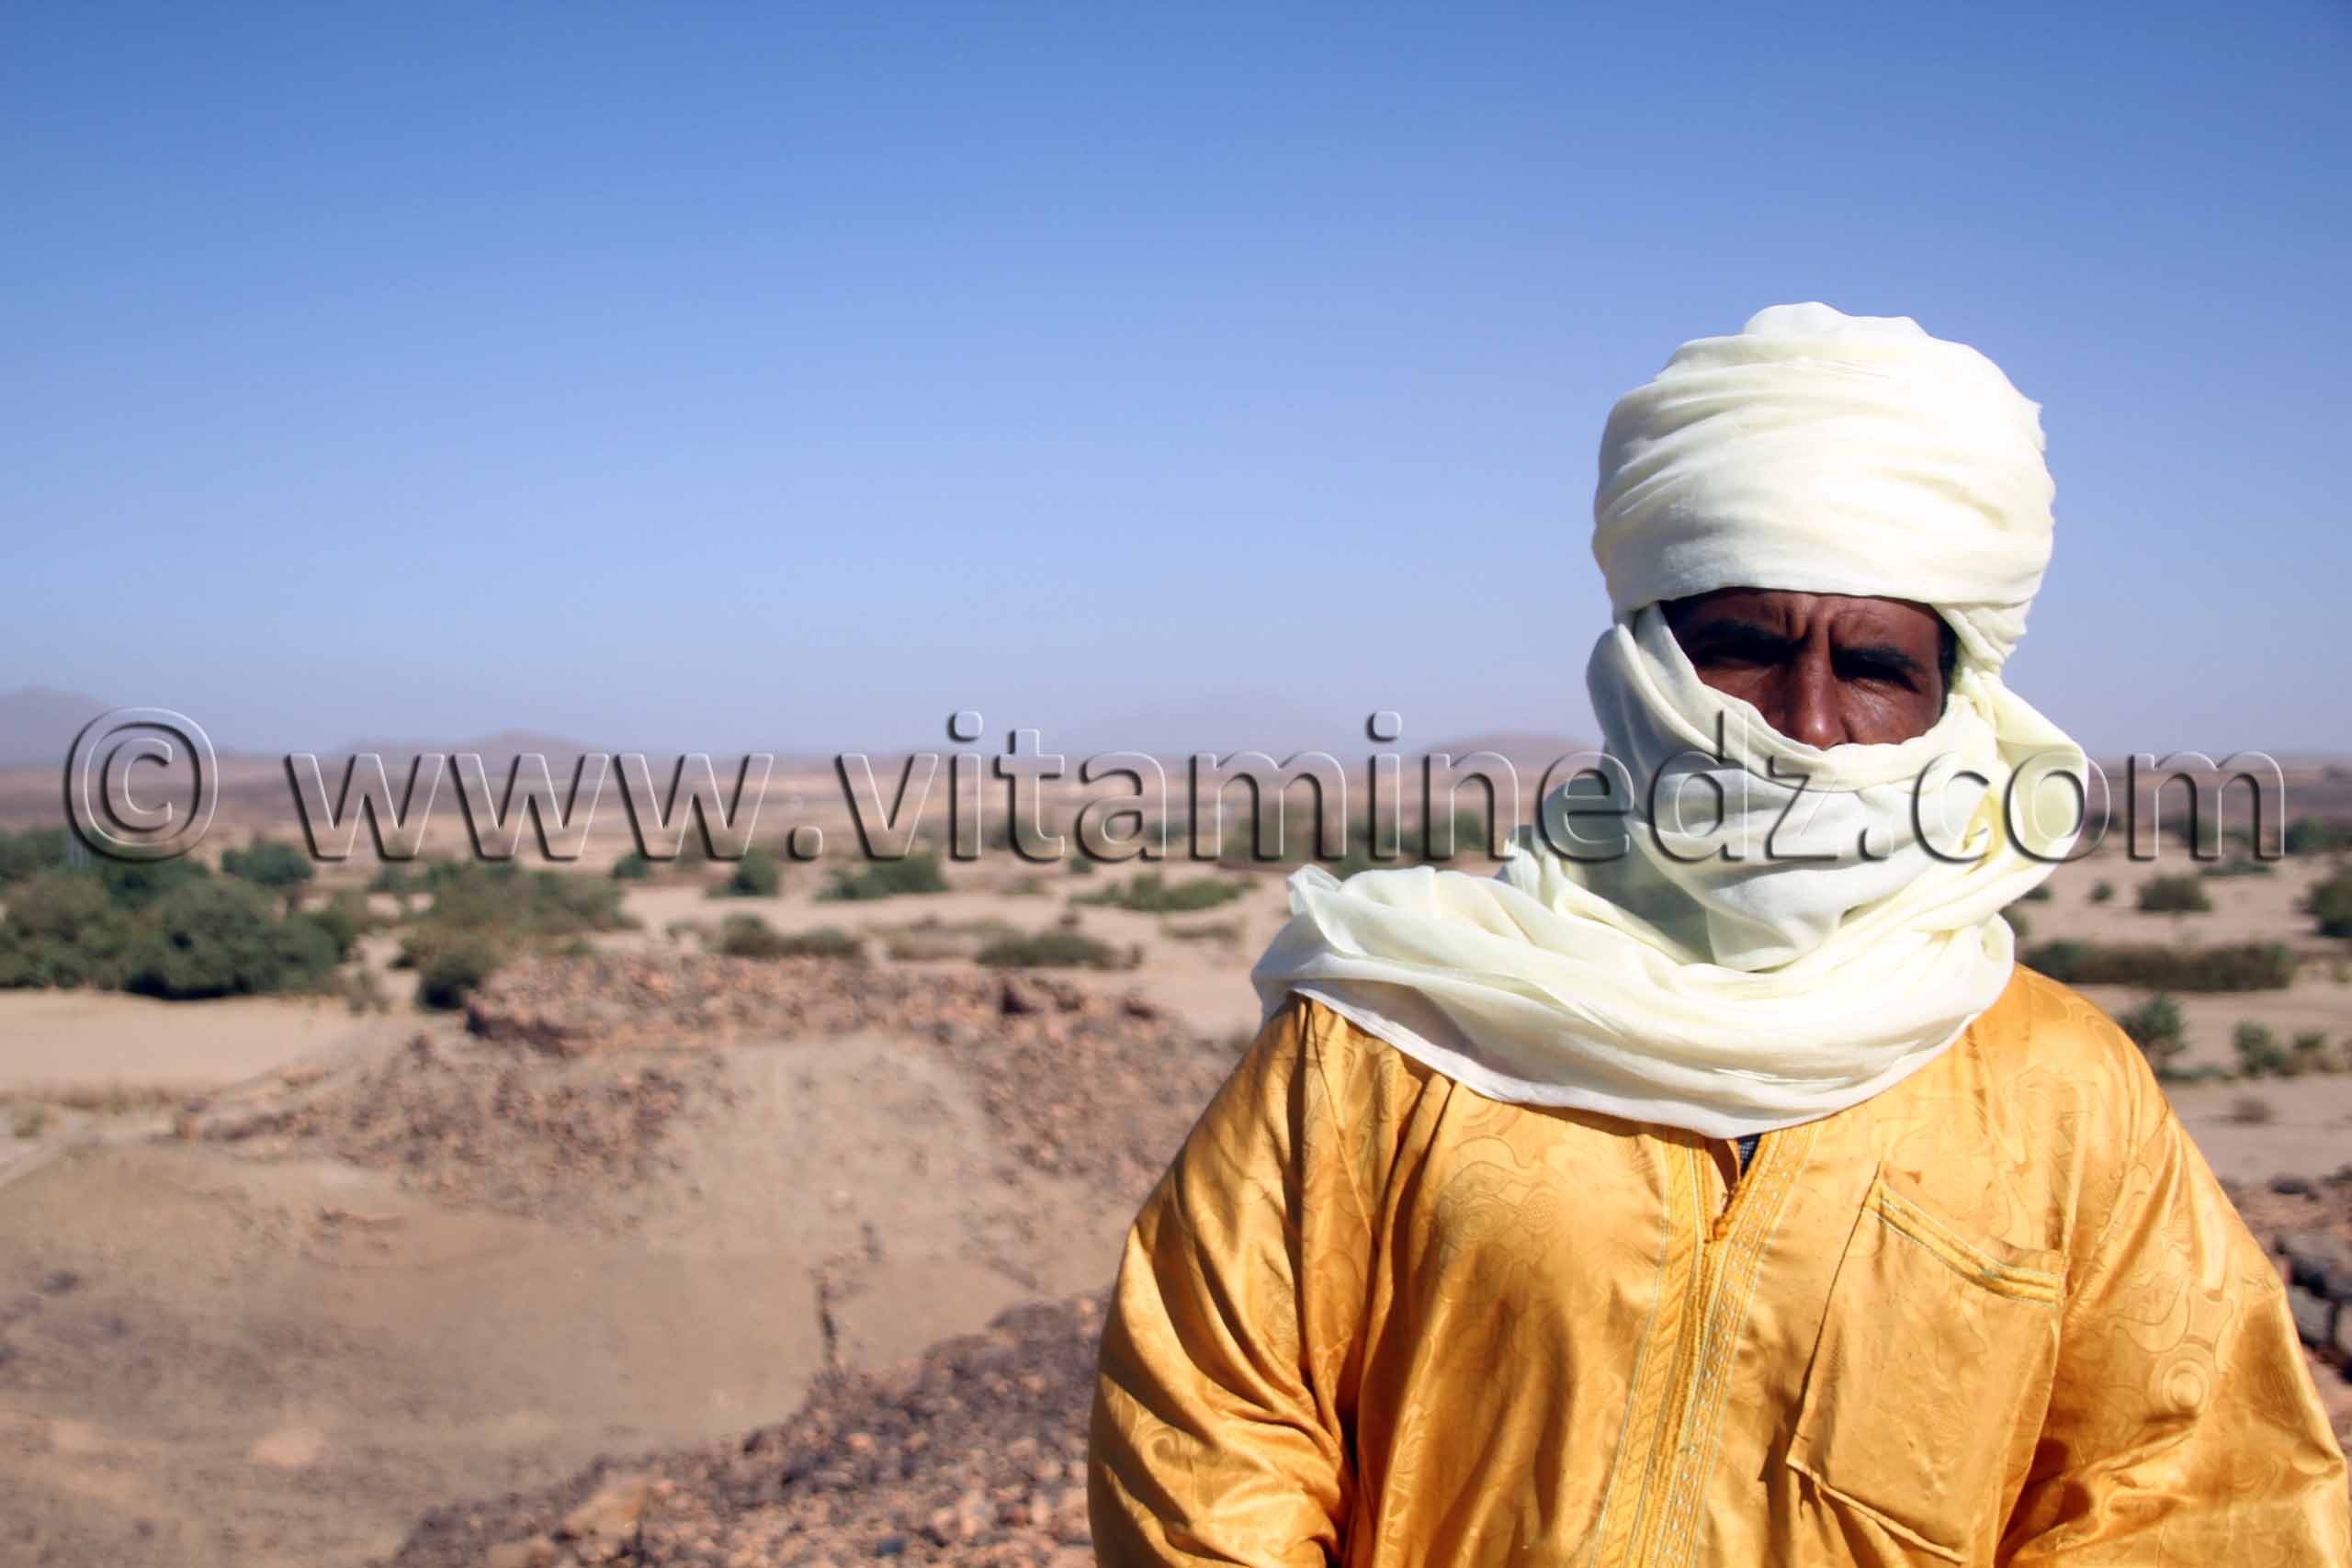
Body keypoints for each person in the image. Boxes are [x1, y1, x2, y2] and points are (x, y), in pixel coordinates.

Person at [1088, 304, 2350, 1564]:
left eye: (1875, 667)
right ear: (1646, 665)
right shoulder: (1393, 1030)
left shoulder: (2064, 1095)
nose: (1805, 721)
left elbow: (2190, 1493)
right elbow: (1214, 1438)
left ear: (1953, 707)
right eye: (1743, 648)